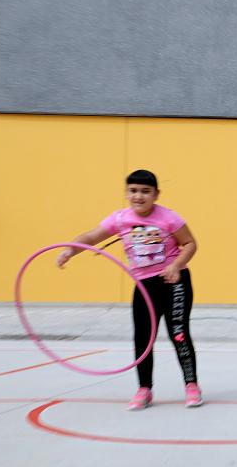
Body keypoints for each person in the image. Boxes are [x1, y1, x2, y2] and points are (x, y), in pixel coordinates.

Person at [56, 169, 203, 410]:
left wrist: (176, 265)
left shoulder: (169, 217)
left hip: (174, 282)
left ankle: (191, 385)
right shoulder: (120, 219)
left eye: (145, 191)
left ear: (156, 194)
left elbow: (190, 243)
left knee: (178, 334)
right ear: (127, 193)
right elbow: (92, 236)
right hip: (144, 285)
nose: (139, 196)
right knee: (143, 337)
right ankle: (144, 388)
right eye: (133, 191)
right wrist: (70, 249)